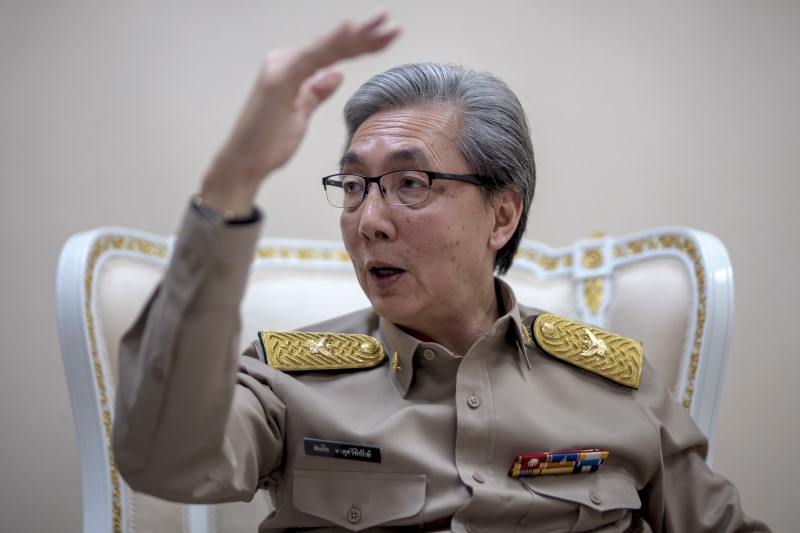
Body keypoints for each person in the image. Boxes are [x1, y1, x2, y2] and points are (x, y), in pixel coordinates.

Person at [112, 12, 769, 532]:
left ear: (502, 216)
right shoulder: (288, 382)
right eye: (352, 185)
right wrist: (233, 181)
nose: (369, 218)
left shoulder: (614, 385)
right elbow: (165, 461)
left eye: (410, 182)